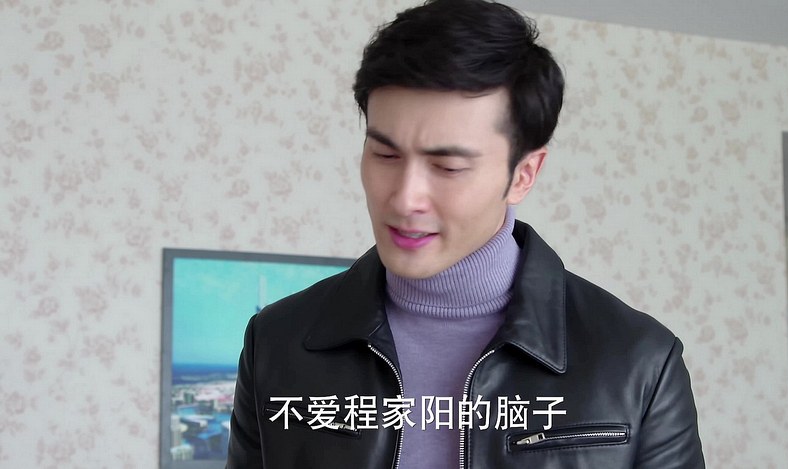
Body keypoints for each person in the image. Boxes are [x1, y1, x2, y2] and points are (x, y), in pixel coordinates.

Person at [226, 0, 705, 467]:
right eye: (385, 155)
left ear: (523, 175)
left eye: (448, 166)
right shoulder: (277, 342)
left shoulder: (640, 362)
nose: (405, 198)